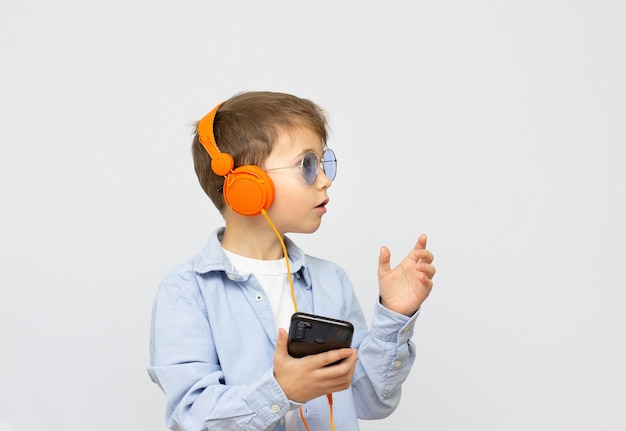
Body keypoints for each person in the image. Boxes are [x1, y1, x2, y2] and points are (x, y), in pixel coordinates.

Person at [148, 91, 436, 431]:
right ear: (246, 185)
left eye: (323, 163)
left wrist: (394, 317)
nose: (325, 180)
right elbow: (195, 415)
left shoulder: (331, 281)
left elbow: (371, 399)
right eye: (308, 165)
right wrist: (281, 391)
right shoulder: (185, 293)